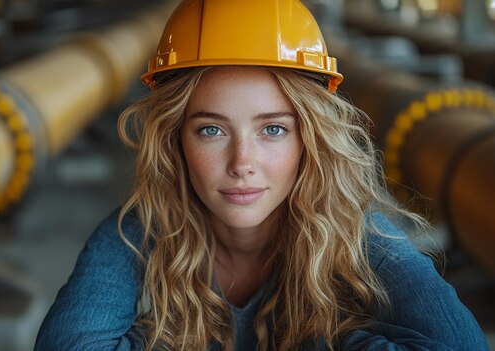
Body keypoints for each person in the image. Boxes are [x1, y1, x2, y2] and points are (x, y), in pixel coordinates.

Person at [34, 0, 489, 350]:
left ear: (308, 140)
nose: (242, 162)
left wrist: (329, 340)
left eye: (272, 129)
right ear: (177, 141)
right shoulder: (134, 232)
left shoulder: (360, 234)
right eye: (211, 130)